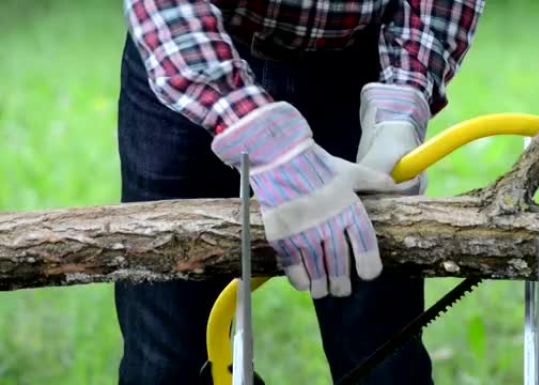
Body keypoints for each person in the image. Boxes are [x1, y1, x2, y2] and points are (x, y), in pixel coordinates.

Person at [116, 1, 483, 384]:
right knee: (166, 362)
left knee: (383, 356)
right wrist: (267, 146)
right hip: (192, 53)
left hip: (360, 65)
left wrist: (402, 99)